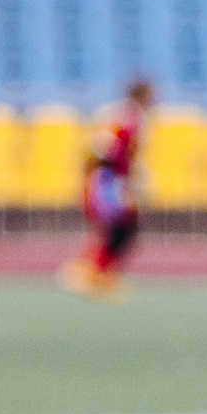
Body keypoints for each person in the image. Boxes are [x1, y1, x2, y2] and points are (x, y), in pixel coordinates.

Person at [61, 77, 153, 303]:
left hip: (111, 179)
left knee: (120, 229)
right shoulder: (131, 119)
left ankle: (95, 272)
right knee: (120, 229)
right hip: (113, 181)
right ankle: (95, 274)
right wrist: (126, 181)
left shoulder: (120, 114)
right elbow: (112, 151)